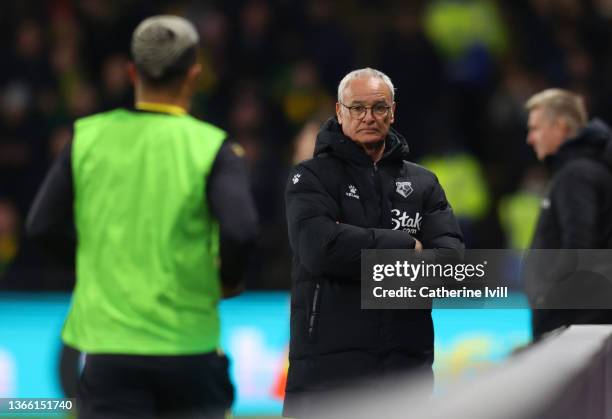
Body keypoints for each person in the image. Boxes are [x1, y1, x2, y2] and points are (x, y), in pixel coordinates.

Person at [26, 15, 258, 419]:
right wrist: (226, 279)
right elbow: (241, 231)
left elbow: (41, 226)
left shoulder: (87, 137)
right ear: (194, 74)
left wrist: (91, 265)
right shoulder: (212, 146)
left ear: (132, 72)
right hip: (188, 347)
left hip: (108, 350)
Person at [283, 68, 464, 417]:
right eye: (357, 108)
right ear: (339, 111)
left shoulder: (423, 182)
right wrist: (406, 247)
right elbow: (320, 250)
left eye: (379, 107)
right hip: (328, 374)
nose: (368, 117)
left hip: (404, 372)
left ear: (392, 112)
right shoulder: (310, 176)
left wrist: (353, 253)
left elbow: (452, 266)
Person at [525, 88, 612, 339]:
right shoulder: (587, 168)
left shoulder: (575, 174)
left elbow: (579, 247)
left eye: (536, 128)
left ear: (561, 126)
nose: (530, 138)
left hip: (573, 323)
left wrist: (546, 295)